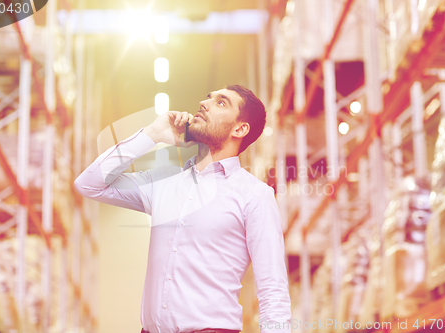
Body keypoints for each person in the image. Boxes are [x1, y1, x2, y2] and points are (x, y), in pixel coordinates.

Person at [74, 85, 292, 333]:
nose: (204, 102)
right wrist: (152, 134)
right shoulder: (164, 182)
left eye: (221, 103)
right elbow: (89, 184)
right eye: (209, 97)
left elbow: (272, 288)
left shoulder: (254, 196)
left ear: (240, 129)